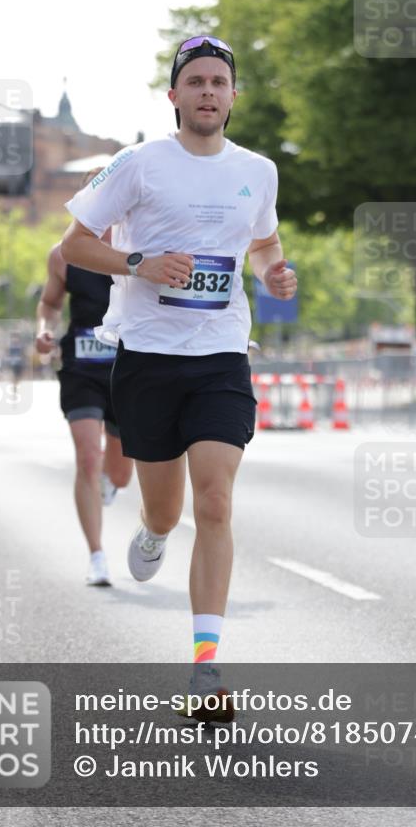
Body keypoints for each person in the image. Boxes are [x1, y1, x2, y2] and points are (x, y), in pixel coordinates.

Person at [61, 36, 297, 717]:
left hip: (221, 354)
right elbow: (74, 242)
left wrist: (272, 272)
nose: (207, 92)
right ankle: (154, 530)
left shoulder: (257, 169)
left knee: (216, 502)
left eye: (219, 82)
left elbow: (262, 244)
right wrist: (138, 263)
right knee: (166, 508)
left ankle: (205, 670)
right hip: (147, 359)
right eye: (194, 81)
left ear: (232, 95)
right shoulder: (138, 165)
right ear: (174, 96)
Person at [35, 183, 134, 587]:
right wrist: (44, 330)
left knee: (122, 472)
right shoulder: (63, 254)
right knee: (87, 458)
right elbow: (50, 303)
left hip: (129, 370)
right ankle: (96, 555)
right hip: (81, 367)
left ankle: (111, 483)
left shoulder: (138, 251)